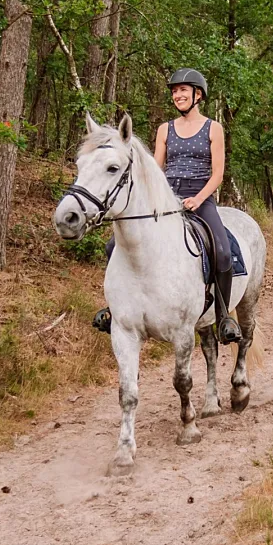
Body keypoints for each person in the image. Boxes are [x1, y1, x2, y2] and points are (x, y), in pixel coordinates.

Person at [94, 68, 242, 344]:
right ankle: (116, 309)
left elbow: (218, 174)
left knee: (222, 250)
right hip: (167, 196)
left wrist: (198, 198)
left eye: (183, 90)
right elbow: (156, 169)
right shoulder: (165, 129)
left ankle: (224, 317)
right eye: (174, 91)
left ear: (198, 95)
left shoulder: (213, 128)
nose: (178, 95)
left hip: (200, 196)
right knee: (113, 246)